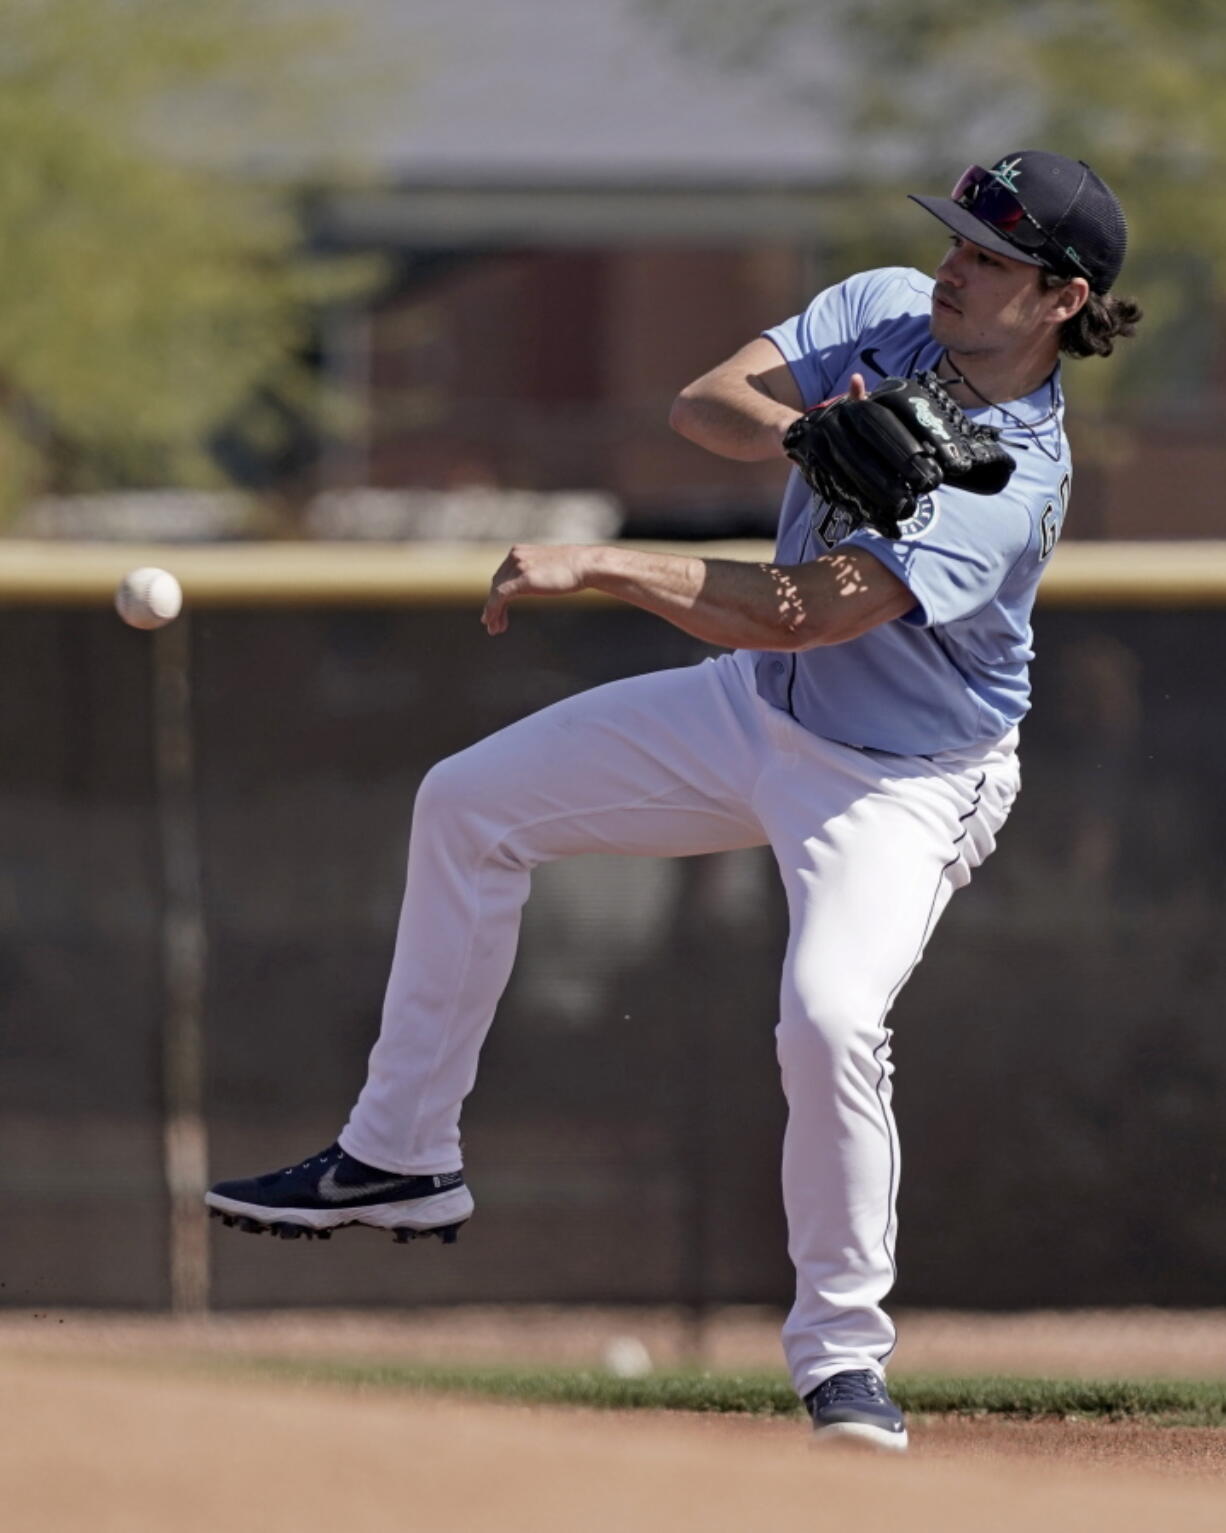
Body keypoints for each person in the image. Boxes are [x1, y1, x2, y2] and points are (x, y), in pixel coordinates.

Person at [207, 150, 1141, 1451]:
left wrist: (604, 563)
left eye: (989, 255)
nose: (953, 263)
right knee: (466, 803)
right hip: (754, 709)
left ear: (1060, 296)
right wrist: (811, 429)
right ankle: (400, 1152)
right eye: (956, 237)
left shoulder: (1010, 482)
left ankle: (841, 1363)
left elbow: (803, 613)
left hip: (901, 782)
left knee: (823, 1017)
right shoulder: (885, 308)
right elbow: (706, 402)